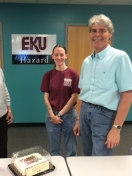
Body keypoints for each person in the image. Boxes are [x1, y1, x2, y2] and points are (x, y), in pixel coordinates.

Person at [74, 14, 132, 156]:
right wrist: (79, 120)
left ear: (110, 34)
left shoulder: (120, 57)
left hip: (105, 116)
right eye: (93, 31)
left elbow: (128, 95)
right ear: (90, 34)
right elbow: (83, 94)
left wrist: (116, 129)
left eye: (102, 30)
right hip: (85, 113)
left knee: (101, 161)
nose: (97, 34)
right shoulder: (86, 62)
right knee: (88, 157)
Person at [40, 44, 80, 157]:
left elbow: (73, 97)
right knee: (54, 151)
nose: (59, 57)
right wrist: (52, 115)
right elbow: (46, 97)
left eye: (61, 55)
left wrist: (60, 114)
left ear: (66, 56)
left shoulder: (73, 74)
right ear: (52, 56)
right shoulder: (48, 75)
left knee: (71, 150)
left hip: (69, 115)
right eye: (56, 55)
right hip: (51, 116)